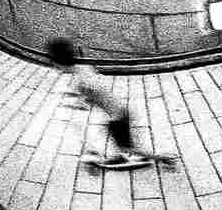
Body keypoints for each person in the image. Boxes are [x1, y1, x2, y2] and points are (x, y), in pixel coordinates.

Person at [46, 38, 149, 167]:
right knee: (116, 139)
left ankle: (159, 157)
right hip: (119, 112)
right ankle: (124, 155)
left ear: (59, 63)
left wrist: (80, 100)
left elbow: (91, 89)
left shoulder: (80, 80)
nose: (55, 68)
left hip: (118, 116)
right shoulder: (83, 68)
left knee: (127, 147)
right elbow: (93, 89)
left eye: (55, 65)